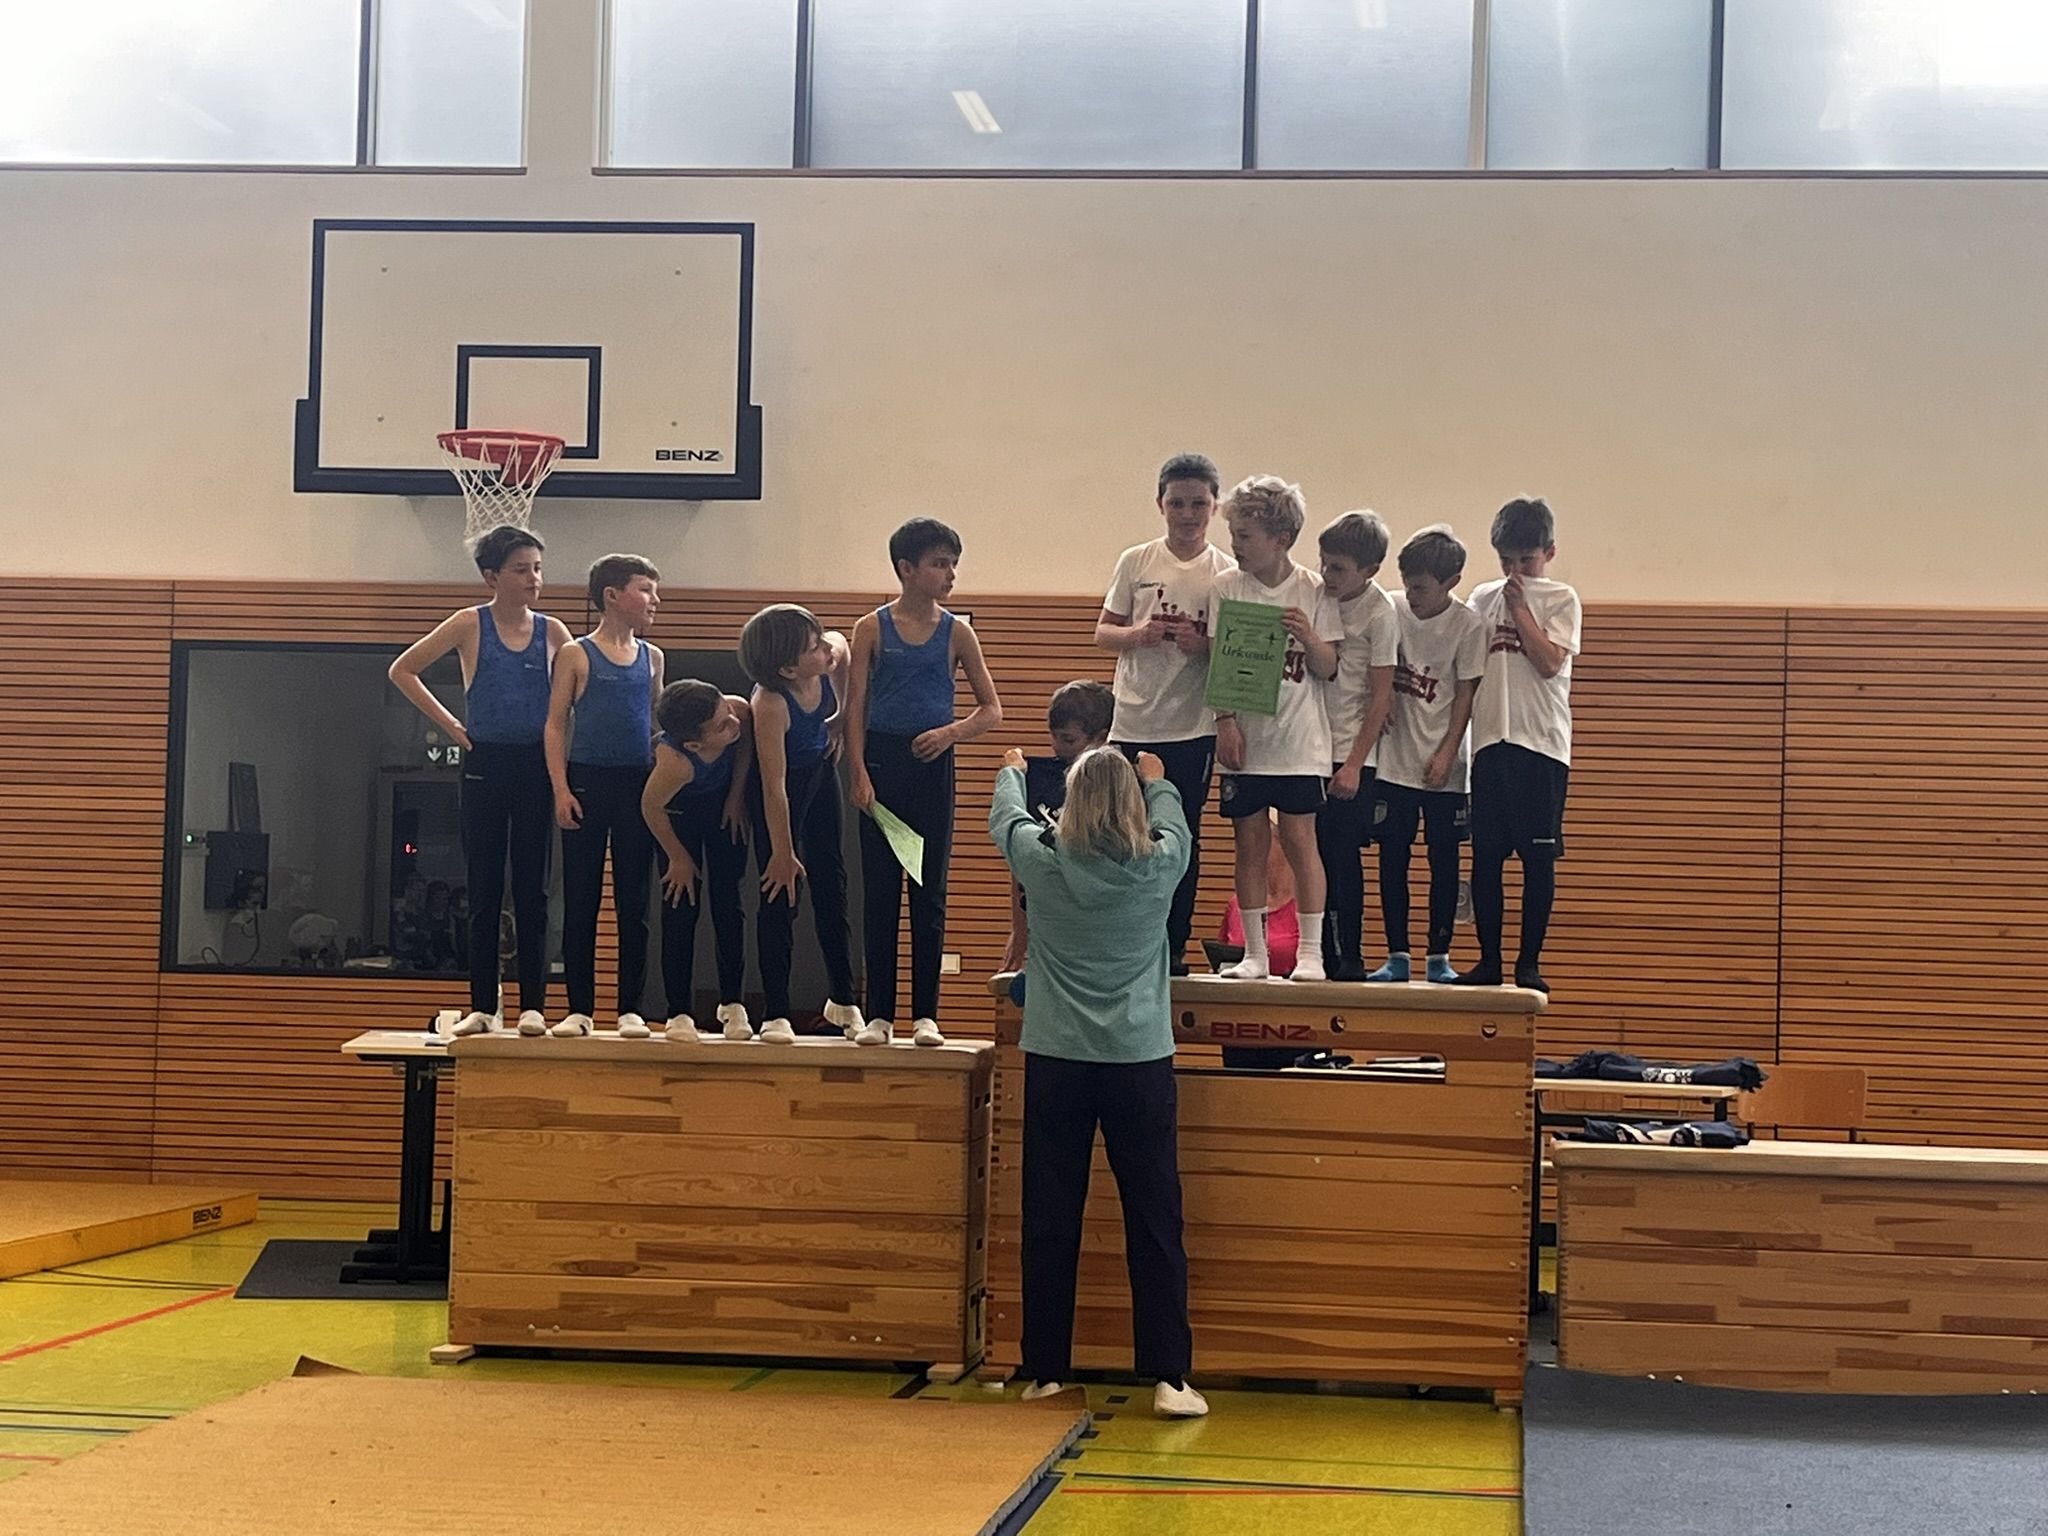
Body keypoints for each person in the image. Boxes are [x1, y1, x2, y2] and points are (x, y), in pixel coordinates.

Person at [988, 744, 1207, 1421]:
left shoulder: (1043, 864)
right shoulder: (1160, 866)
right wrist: (1157, 781)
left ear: (1073, 803)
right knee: (1155, 1217)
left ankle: (1046, 1370)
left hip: (1057, 1060)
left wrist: (1011, 769)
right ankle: (1169, 1377)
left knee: (1050, 1217)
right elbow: (1176, 822)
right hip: (1139, 1062)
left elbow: (1006, 819)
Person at [387, 524, 571, 1037]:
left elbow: (576, 691)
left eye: (538, 568)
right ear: (492, 576)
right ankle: (485, 1006)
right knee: (485, 888)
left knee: (533, 889)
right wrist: (453, 726)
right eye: (521, 570)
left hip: (536, 763)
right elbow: (403, 670)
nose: (534, 579)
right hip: (483, 761)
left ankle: (533, 1005)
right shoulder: (469, 624)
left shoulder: (554, 632)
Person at [846, 517, 1003, 1048]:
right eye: (939, 564)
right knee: (880, 894)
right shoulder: (871, 628)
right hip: (882, 765)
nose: (950, 574)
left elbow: (991, 709)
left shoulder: (957, 632)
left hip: (931, 766)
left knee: (927, 893)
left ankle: (925, 1015)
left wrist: (950, 733)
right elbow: (855, 706)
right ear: (906, 569)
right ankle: (879, 1015)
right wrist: (858, 770)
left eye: (953, 564)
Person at [1097, 453, 1235, 976]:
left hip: (1192, 728)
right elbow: (1103, 632)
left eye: (1198, 503)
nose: (1187, 514)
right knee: (1122, 833)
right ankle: (1124, 940)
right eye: (1177, 503)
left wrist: (1205, 646)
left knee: (1181, 838)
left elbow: (1237, 654)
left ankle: (1173, 945)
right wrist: (1137, 635)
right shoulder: (1137, 561)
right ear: (1161, 504)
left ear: (1214, 508)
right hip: (1133, 723)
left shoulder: (1226, 572)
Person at [1209, 476, 1342, 983]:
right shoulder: (1226, 587)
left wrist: (1309, 637)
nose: (1235, 545)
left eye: (1245, 536)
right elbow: (1219, 662)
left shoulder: (1313, 589)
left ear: (1280, 539)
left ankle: (1310, 952)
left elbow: (1329, 667)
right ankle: (1254, 954)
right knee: (1249, 845)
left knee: (1300, 840)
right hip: (1247, 739)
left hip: (1299, 741)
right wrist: (1225, 722)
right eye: (1234, 535)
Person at [1457, 498, 1582, 994]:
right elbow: (1467, 669)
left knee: (1537, 858)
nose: (1515, 571)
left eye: (1525, 560)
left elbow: (1549, 662)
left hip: (1541, 744)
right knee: (1486, 856)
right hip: (1491, 739)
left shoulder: (1561, 598)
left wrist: (1520, 609)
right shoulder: (1481, 597)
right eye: (1506, 560)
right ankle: (1489, 959)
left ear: (1549, 552)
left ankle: (1529, 962)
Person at [546, 554, 665, 1037]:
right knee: (582, 900)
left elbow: (656, 725)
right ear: (612, 596)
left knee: (634, 902)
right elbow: (556, 726)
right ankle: (580, 1008)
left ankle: (630, 1008)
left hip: (637, 784)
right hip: (586, 782)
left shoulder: (652, 657)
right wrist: (561, 789)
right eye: (645, 590)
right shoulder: (576, 654)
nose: (655, 600)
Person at [739, 603, 866, 1045]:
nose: (825, 649)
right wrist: (782, 851)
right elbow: (773, 786)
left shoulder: (827, 657)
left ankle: (844, 999)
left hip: (819, 773)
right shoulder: (770, 703)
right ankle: (775, 1010)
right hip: (780, 788)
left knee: (832, 883)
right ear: (788, 669)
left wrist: (840, 717)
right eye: (814, 647)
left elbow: (843, 648)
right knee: (781, 892)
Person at [1369, 526, 1486, 984]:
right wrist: (1383, 699)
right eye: (1408, 584)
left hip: (1444, 763)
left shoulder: (1468, 625)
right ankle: (1396, 954)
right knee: (1392, 858)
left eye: (1421, 587)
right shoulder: (1393, 608)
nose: (1411, 595)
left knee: (1444, 861)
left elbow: (1465, 694)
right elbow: (1378, 665)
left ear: (1451, 582)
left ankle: (1439, 956)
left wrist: (1448, 752)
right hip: (1395, 761)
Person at [639, 679, 753, 1042]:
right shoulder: (675, 763)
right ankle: (678, 1011)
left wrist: (735, 797)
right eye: (722, 726)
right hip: (677, 815)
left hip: (721, 807)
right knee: (680, 907)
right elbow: (650, 808)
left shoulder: (739, 710)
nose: (733, 722)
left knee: (728, 905)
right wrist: (678, 857)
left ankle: (732, 1003)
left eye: (726, 710)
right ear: (694, 745)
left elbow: (745, 748)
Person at [1314, 511, 1399, 979]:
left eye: (1338, 568)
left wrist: (1354, 763)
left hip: (1350, 752)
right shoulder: (1319, 596)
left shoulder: (1379, 613)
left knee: (1343, 855)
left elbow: (1381, 695)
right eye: (1324, 563)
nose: (1327, 575)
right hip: (1311, 747)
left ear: (1369, 570)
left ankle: (1350, 954)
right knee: (1314, 856)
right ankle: (1319, 952)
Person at [1002, 679, 1114, 973]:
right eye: (1053, 736)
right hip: (1047, 919)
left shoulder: (1118, 787)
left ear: (1101, 737)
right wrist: (1020, 930)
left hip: (1098, 924)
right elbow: (1020, 865)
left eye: (1068, 739)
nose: (1057, 746)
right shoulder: (1041, 778)